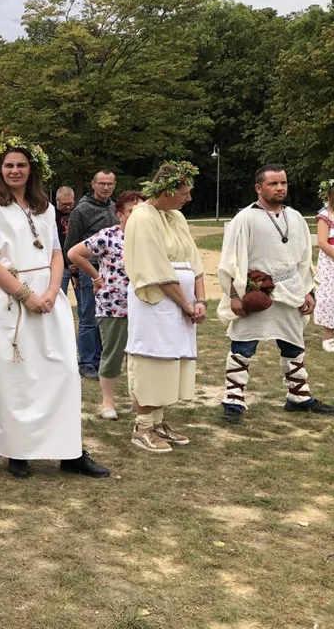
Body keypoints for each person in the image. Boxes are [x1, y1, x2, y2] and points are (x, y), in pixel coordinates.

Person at [0, 137, 110, 479]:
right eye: (8, 165)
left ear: (31, 169)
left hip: (49, 298)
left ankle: (69, 450)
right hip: (10, 299)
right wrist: (25, 295)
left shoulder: (46, 208)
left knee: (62, 372)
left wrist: (51, 291)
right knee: (17, 376)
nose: (15, 170)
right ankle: (18, 450)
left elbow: (55, 253)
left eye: (21, 164)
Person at [218, 164, 334, 424]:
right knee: (243, 346)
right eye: (273, 184)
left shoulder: (295, 218)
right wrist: (235, 296)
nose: (280, 188)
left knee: (294, 346)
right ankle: (234, 401)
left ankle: (298, 396)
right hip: (258, 293)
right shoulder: (245, 218)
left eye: (283, 183)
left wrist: (308, 291)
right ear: (259, 188)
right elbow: (230, 260)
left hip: (292, 290)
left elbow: (304, 259)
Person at [123, 162, 205, 452]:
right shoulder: (142, 217)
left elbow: (194, 262)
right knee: (152, 360)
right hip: (155, 303)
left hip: (181, 305)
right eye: (184, 192)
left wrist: (200, 300)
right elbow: (154, 269)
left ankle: (158, 422)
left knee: (171, 360)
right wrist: (185, 303)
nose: (189, 198)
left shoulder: (176, 217)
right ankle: (142, 426)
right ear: (167, 190)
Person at [67, 190, 144, 420]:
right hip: (114, 305)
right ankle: (107, 402)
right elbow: (74, 253)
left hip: (145, 305)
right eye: (132, 212)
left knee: (141, 356)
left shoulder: (150, 236)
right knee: (112, 354)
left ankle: (139, 401)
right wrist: (95, 276)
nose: (137, 216)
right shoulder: (108, 236)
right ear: (119, 214)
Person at [65, 170, 117, 379]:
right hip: (89, 270)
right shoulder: (81, 211)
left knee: (104, 317)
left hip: (112, 271)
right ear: (93, 184)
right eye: (102, 184)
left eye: (110, 184)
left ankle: (99, 359)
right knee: (88, 317)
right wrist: (76, 273)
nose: (106, 188)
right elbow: (71, 244)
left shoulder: (115, 208)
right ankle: (86, 362)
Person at [313, 179, 334, 352]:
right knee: (330, 296)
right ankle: (329, 336)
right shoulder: (325, 216)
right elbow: (322, 241)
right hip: (331, 263)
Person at [54, 186, 76, 294]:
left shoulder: (78, 213)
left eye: (70, 204)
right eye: (64, 204)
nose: (68, 207)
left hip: (77, 264)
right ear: (57, 201)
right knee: (59, 296)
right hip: (59, 264)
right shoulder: (50, 215)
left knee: (83, 300)